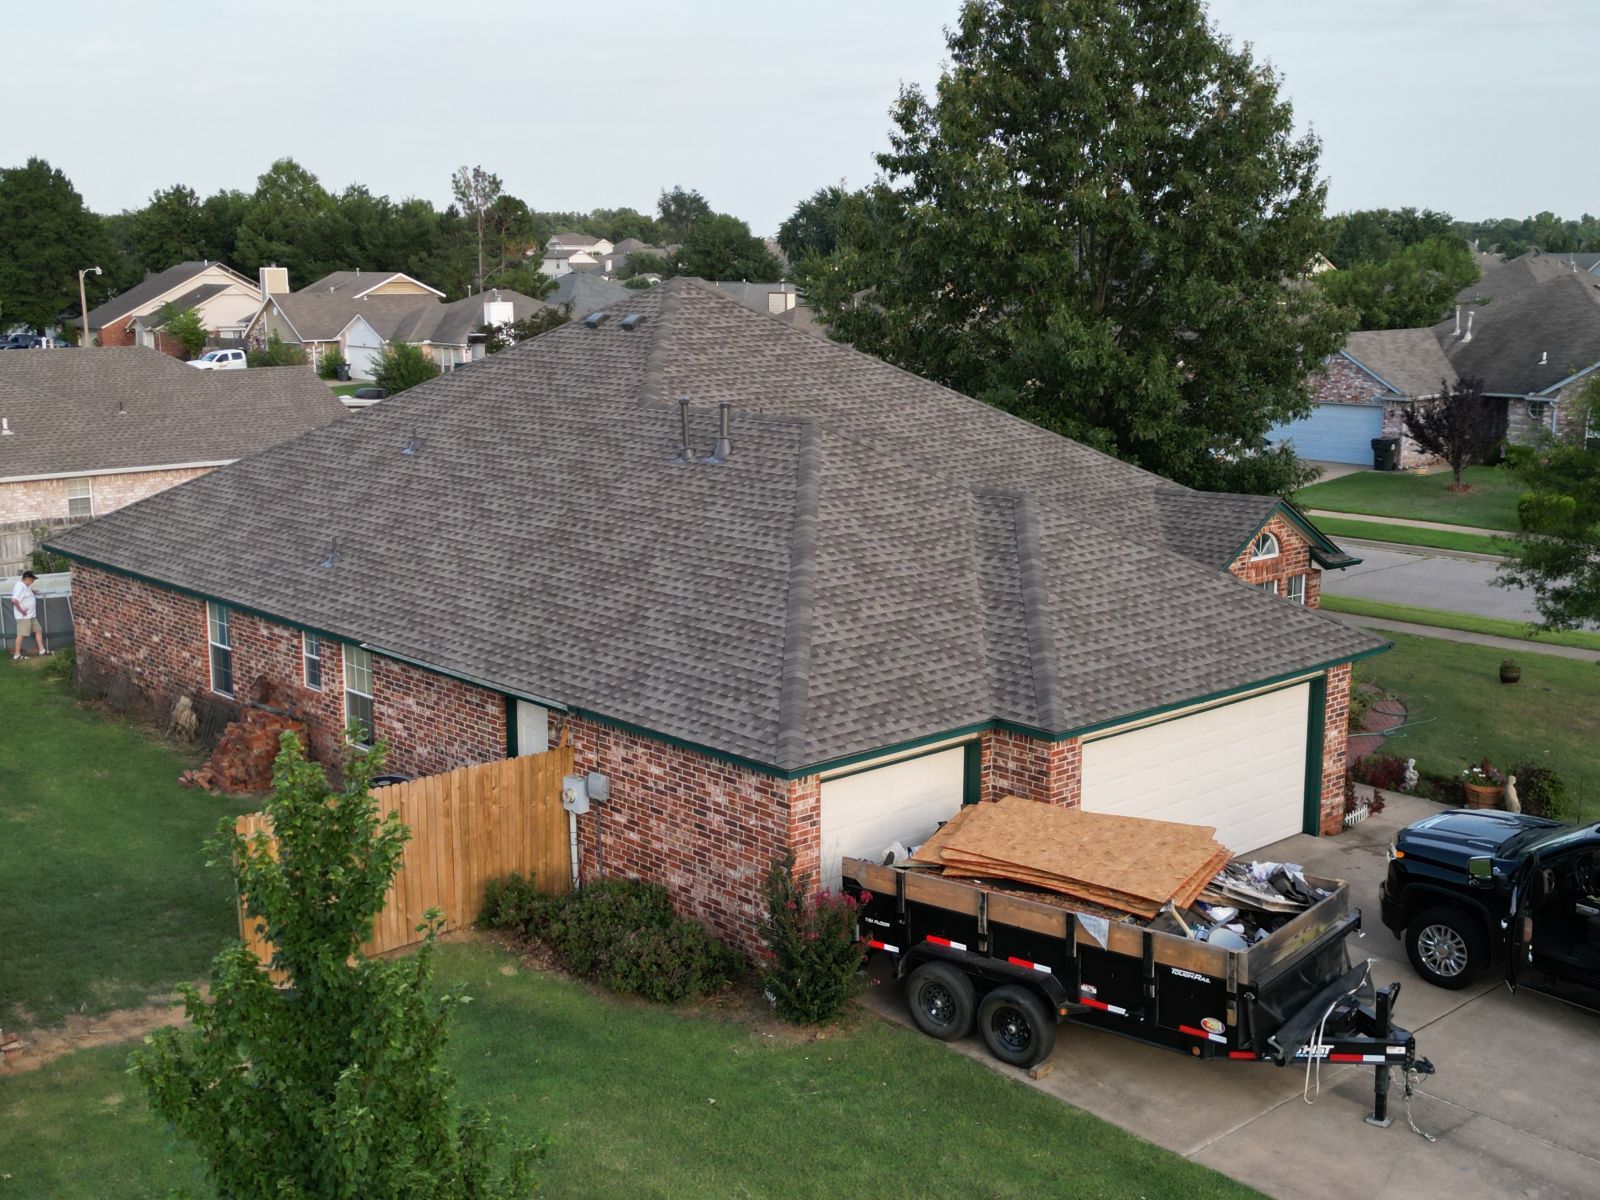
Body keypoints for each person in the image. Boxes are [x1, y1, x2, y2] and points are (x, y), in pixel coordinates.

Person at [11, 570, 48, 660]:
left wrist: (33, 591)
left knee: (38, 630)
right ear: (26, 578)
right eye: (32, 580)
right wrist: (21, 611)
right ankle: (17, 655)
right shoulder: (20, 587)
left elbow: (26, 592)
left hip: (31, 615)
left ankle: (42, 650)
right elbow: (14, 600)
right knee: (21, 635)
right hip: (24, 617)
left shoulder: (25, 586)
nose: (33, 582)